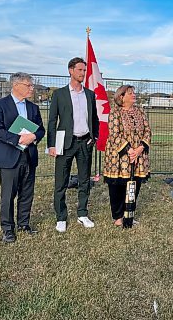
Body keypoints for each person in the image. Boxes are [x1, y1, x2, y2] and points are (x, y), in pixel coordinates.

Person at [0, 72, 45, 243]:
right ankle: (7, 229)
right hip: (9, 157)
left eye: (31, 85)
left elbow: (41, 129)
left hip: (29, 156)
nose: (32, 88)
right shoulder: (0, 105)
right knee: (8, 195)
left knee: (27, 193)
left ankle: (23, 224)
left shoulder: (33, 108)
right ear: (16, 85)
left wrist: (34, 137)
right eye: (28, 85)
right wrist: (18, 139)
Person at [47, 57, 99, 233]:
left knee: (85, 180)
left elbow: (94, 119)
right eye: (79, 70)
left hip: (85, 143)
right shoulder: (59, 94)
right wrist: (52, 145)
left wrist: (95, 137)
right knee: (61, 181)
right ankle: (61, 217)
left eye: (84, 70)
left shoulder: (90, 95)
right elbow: (52, 121)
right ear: (70, 70)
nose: (83, 73)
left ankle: (82, 214)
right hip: (65, 144)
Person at [103, 85, 151, 226]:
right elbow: (114, 134)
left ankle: (129, 214)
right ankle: (118, 217)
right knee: (117, 187)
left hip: (139, 155)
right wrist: (129, 150)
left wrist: (140, 148)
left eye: (133, 93)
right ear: (121, 97)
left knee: (134, 185)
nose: (133, 95)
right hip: (118, 156)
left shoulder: (140, 111)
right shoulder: (115, 113)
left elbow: (147, 130)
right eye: (130, 93)